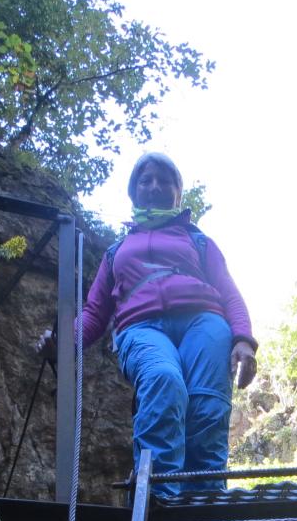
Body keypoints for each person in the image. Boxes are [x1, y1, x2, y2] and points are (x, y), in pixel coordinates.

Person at [50, 152, 257, 498]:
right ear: (133, 192)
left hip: (204, 320)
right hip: (142, 325)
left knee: (207, 406)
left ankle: (207, 509)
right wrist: (61, 341)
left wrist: (244, 340)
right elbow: (94, 314)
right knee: (163, 381)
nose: (154, 187)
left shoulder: (199, 241)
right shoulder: (116, 252)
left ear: (178, 193)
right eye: (145, 181)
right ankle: (162, 502)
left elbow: (228, 292)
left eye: (164, 181)